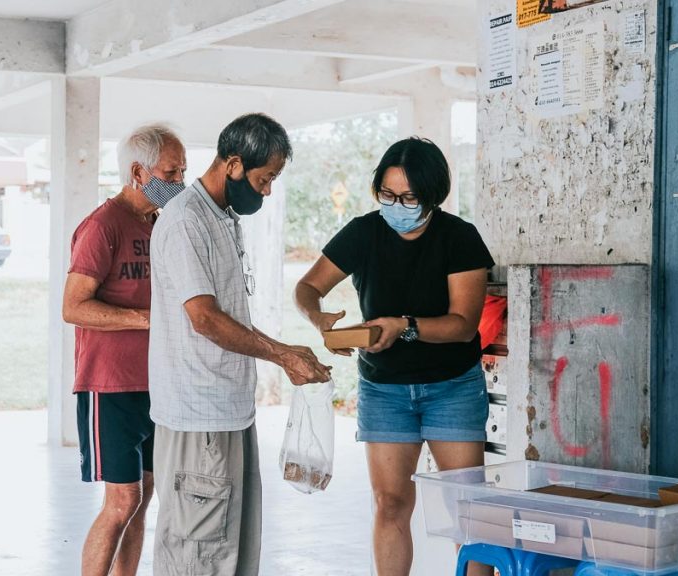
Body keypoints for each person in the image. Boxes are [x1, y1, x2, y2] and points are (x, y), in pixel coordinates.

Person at [294, 137, 494, 576]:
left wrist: (404, 325)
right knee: (390, 503)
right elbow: (307, 287)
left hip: (452, 386)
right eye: (387, 194)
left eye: (408, 197)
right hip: (384, 391)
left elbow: (463, 323)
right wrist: (319, 319)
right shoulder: (364, 232)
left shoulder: (459, 237)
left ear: (433, 195)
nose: (396, 205)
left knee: (468, 507)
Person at [148, 113, 332, 576]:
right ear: (232, 164)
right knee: (199, 555)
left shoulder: (223, 217)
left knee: (229, 552)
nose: (267, 191)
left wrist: (286, 352)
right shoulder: (184, 220)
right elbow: (205, 319)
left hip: (228, 413)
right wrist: (283, 355)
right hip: (198, 419)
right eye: (264, 179)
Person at [62, 124, 188, 576]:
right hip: (109, 385)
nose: (179, 183)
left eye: (182, 172)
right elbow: (73, 306)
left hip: (157, 384)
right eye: (172, 173)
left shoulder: (160, 223)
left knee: (143, 498)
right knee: (121, 501)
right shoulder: (102, 226)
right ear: (139, 171)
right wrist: (147, 320)